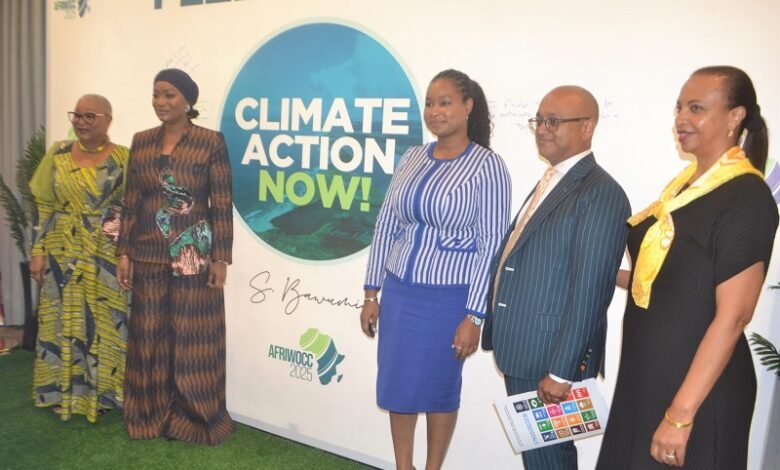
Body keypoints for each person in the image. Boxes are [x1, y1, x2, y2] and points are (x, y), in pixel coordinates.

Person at [596, 66, 778, 469]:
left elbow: (733, 316)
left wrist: (680, 415)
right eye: (680, 107)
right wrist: (603, 275)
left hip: (697, 388)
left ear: (735, 117)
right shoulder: (684, 188)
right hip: (647, 375)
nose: (682, 118)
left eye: (696, 108)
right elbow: (675, 282)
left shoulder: (746, 196)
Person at [360, 69, 511, 470]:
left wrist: (474, 315)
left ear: (467, 106)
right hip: (399, 291)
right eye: (429, 102)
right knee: (398, 383)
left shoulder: (487, 167)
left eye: (445, 102)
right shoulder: (412, 157)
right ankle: (403, 466)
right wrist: (371, 293)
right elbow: (387, 225)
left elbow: (490, 247)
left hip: (450, 299)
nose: (435, 110)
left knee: (440, 386)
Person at [483, 85, 631, 469]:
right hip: (524, 346)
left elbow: (591, 290)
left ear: (587, 127)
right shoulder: (553, 179)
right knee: (539, 457)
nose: (543, 129)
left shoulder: (601, 192)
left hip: (550, 356)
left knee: (550, 458)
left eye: (554, 121)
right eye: (539, 120)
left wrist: (562, 369)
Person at [117, 68, 234, 445]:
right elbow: (132, 199)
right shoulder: (142, 141)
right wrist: (123, 251)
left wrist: (221, 258)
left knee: (194, 338)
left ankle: (195, 419)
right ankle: (149, 415)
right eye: (156, 95)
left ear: (187, 101)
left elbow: (221, 202)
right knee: (148, 337)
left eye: (169, 95)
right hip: (148, 252)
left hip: (193, 256)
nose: (161, 102)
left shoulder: (210, 142)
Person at [29, 94, 129, 422]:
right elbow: (44, 205)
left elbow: (133, 208)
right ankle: (66, 392)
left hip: (104, 254)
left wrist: (126, 253)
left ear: (108, 120)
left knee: (105, 324)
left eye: (90, 116)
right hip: (62, 252)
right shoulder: (57, 154)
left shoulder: (124, 158)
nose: (81, 122)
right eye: (77, 115)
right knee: (62, 322)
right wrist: (38, 250)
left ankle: (102, 395)